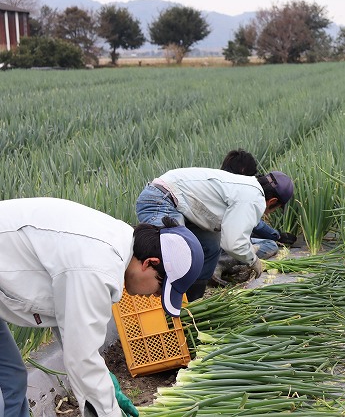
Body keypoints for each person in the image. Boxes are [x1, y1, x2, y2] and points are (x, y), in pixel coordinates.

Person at [0, 197, 204, 417]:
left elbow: (73, 331)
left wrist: (106, 383)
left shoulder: (115, 243)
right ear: (149, 263)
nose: (154, 295)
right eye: (159, 288)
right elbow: (82, 359)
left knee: (11, 379)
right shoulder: (98, 268)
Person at [135, 167, 294, 301]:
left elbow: (232, 234)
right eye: (274, 208)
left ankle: (192, 304)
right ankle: (161, 313)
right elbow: (233, 244)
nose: (269, 212)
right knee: (174, 256)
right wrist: (252, 260)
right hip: (161, 201)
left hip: (178, 203)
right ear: (272, 201)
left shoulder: (247, 187)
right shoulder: (254, 198)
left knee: (211, 246)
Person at [220, 149, 298, 257]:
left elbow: (255, 224)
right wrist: (252, 260)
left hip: (207, 237)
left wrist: (277, 236)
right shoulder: (243, 195)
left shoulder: (221, 182)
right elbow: (255, 224)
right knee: (270, 245)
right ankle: (223, 261)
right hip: (216, 243)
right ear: (272, 201)